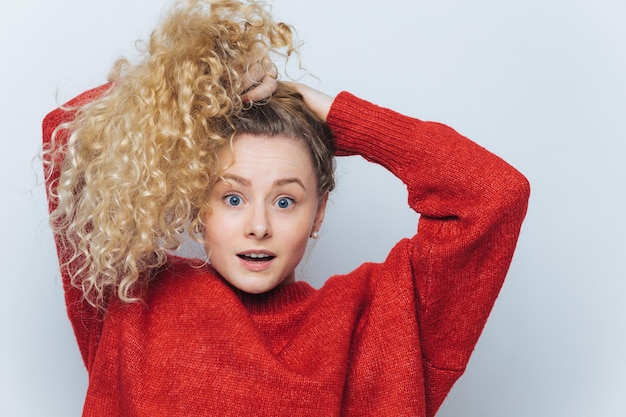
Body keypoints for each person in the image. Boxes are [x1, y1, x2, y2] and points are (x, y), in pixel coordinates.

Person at [42, 0, 530, 416]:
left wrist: (337, 113)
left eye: (285, 200)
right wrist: (191, 90)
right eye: (232, 198)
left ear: (317, 215)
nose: (258, 226)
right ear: (196, 206)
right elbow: (66, 136)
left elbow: (491, 195)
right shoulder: (130, 297)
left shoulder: (381, 322)